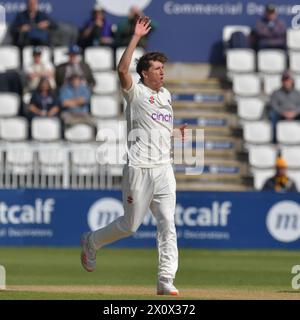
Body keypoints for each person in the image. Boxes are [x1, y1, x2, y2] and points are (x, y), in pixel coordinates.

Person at [80, 16, 183, 296]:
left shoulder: (167, 96)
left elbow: (158, 127)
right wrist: (136, 37)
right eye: (158, 69)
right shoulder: (135, 93)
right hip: (139, 168)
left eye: (163, 68)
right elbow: (122, 69)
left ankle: (165, 280)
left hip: (164, 169)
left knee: (167, 225)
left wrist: (176, 133)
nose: (163, 72)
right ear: (145, 74)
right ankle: (91, 241)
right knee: (130, 225)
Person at [268, 71, 300, 142]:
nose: (287, 83)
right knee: (272, 115)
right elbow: (274, 105)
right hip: (281, 114)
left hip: (295, 114)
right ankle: (274, 140)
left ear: (292, 81)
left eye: (288, 80)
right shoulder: (276, 93)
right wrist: (283, 113)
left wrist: (294, 113)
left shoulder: (297, 93)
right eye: (285, 80)